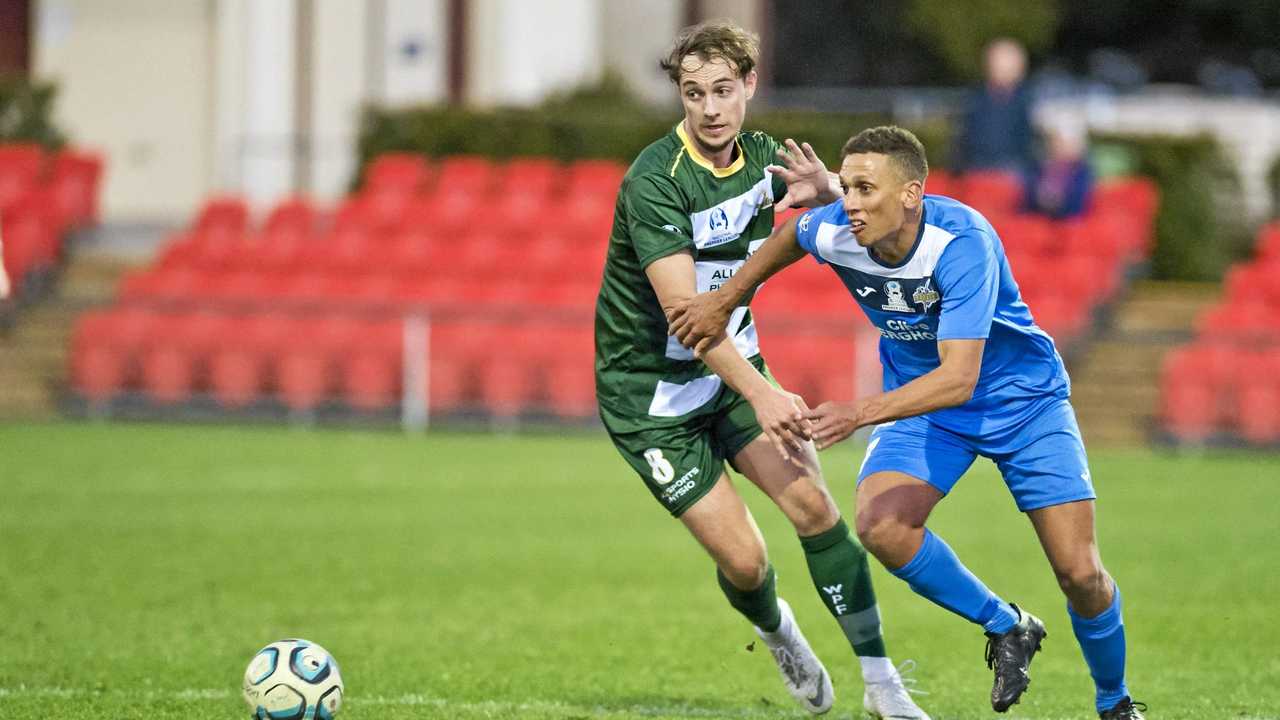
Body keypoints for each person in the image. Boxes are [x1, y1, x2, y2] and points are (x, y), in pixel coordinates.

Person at [668, 126, 1146, 719]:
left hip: (1023, 403)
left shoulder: (961, 242)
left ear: (912, 194)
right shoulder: (837, 228)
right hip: (928, 409)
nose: (850, 202)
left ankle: (1115, 703)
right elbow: (792, 234)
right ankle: (1008, 625)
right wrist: (726, 297)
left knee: (1080, 573)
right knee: (881, 527)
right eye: (845, 187)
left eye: (866, 188)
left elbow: (960, 377)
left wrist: (858, 412)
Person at [593, 21, 929, 719]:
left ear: (749, 85)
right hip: (652, 399)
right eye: (693, 94)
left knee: (814, 507)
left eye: (722, 90)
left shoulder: (767, 159)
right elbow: (690, 317)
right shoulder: (655, 182)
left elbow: (877, 217)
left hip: (732, 372)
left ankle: (883, 685)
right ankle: (777, 631)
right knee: (745, 564)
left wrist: (831, 188)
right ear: (680, 98)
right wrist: (765, 392)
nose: (709, 108)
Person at [954, 38, 1036, 176]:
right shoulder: (975, 100)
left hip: (1015, 173)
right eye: (999, 65)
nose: (1003, 72)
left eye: (1009, 67)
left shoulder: (1028, 102)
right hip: (977, 171)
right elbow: (963, 142)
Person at [1026, 123, 1093, 219]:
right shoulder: (1040, 166)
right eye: (1059, 143)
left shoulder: (1082, 172)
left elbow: (1079, 204)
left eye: (1069, 144)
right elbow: (1027, 198)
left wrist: (1057, 202)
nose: (1063, 148)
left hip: (1069, 223)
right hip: (1037, 220)